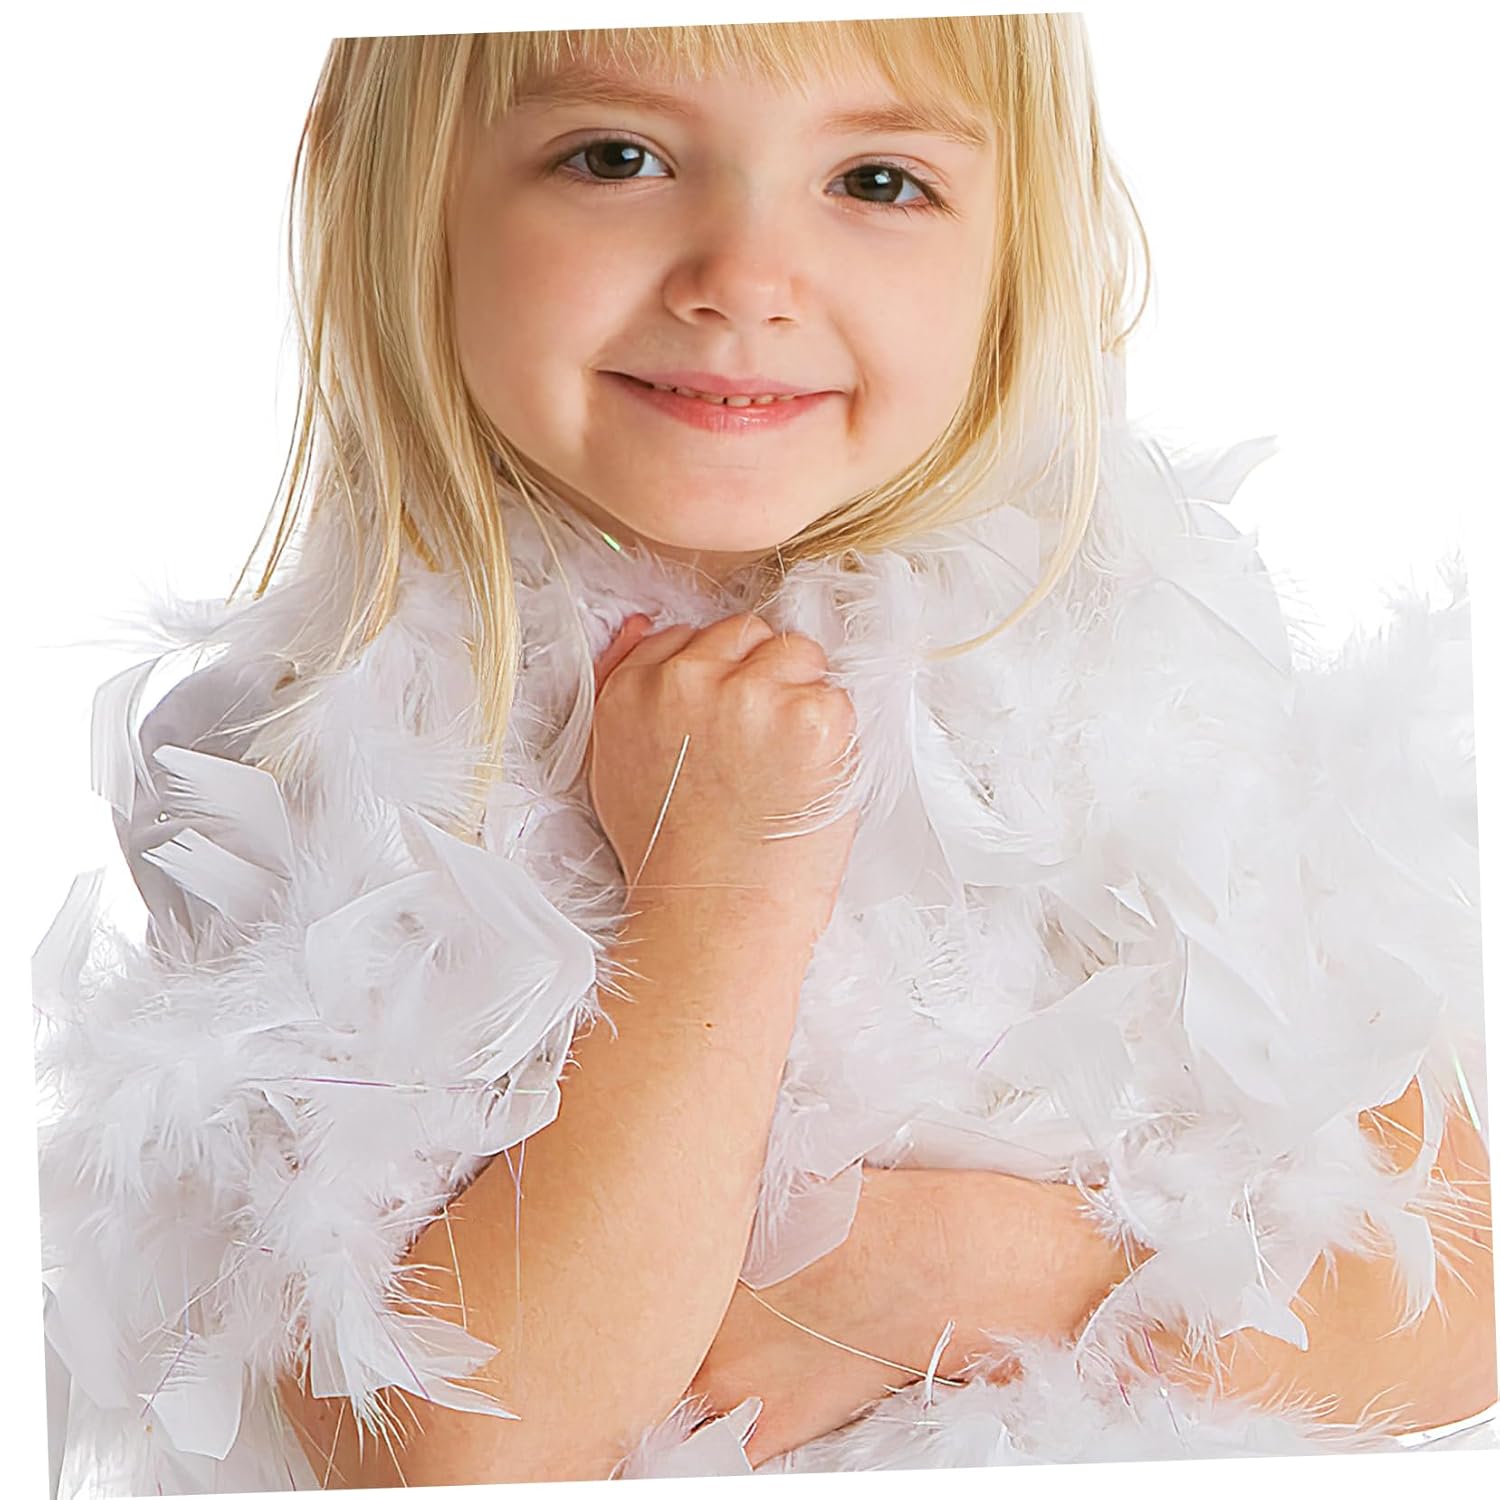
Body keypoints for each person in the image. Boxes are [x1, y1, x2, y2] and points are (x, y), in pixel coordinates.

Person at [34, 16, 1494, 1495]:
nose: (742, 277)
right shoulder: (320, 758)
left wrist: (938, 1274)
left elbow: (1453, 1309)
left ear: (1012, 247)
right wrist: (721, 897)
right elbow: (456, 1448)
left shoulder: (1143, 667)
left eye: (876, 181)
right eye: (617, 157)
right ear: (402, 194)